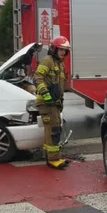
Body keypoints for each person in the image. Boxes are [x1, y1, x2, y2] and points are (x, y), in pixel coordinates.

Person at [34, 36, 72, 170]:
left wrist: (59, 101)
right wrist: (46, 94)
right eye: (60, 49)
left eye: (65, 50)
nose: (62, 52)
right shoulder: (48, 60)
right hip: (46, 102)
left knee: (53, 129)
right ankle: (53, 159)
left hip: (54, 102)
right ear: (54, 49)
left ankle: (54, 156)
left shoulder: (60, 64)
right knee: (53, 130)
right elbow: (37, 77)